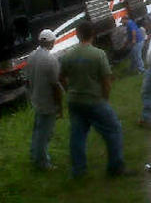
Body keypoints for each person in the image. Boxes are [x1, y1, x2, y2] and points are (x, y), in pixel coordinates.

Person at [59, 21, 127, 178]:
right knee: (114, 129)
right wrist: (105, 99)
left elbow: (61, 78)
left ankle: (78, 171)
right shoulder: (98, 54)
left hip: (74, 101)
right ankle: (116, 168)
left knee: (77, 135)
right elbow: (106, 81)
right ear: (93, 34)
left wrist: (70, 90)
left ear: (77, 34)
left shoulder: (68, 55)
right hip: (94, 101)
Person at [25, 29, 63, 170]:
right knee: (44, 133)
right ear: (51, 42)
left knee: (38, 130)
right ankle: (42, 162)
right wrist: (59, 106)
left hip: (36, 98)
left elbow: (28, 80)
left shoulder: (31, 56)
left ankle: (34, 154)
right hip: (47, 101)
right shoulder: (51, 60)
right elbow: (55, 86)